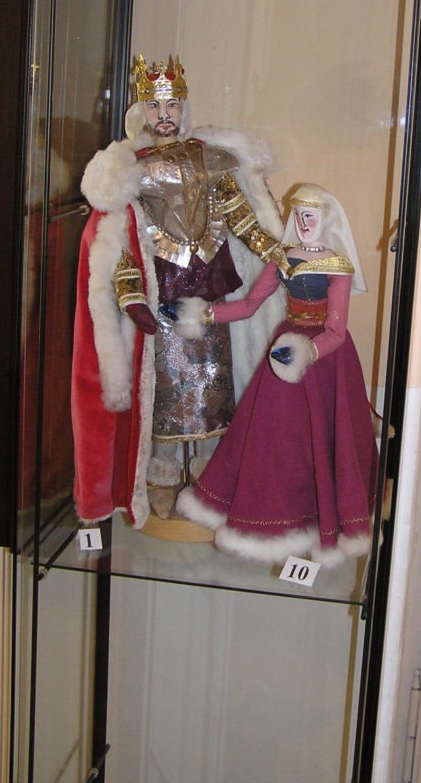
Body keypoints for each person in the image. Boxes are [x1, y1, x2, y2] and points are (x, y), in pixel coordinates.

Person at [71, 54, 287, 528]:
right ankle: (162, 474)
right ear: (142, 111)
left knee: (212, 384)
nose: (164, 114)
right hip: (164, 291)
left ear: (183, 108)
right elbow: (121, 238)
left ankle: (210, 474)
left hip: (209, 289)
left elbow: (239, 215)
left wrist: (274, 248)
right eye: (155, 105)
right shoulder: (130, 169)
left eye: (172, 105)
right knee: (165, 389)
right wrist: (130, 293)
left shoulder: (208, 158)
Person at [175, 184, 379, 566]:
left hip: (325, 362)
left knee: (326, 436)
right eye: (298, 214)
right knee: (278, 439)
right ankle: (278, 517)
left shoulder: (337, 265)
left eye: (310, 216)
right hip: (285, 353)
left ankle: (325, 522)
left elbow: (336, 331)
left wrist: (307, 352)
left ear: (325, 219)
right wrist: (203, 314)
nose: (303, 222)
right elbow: (250, 305)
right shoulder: (282, 259)